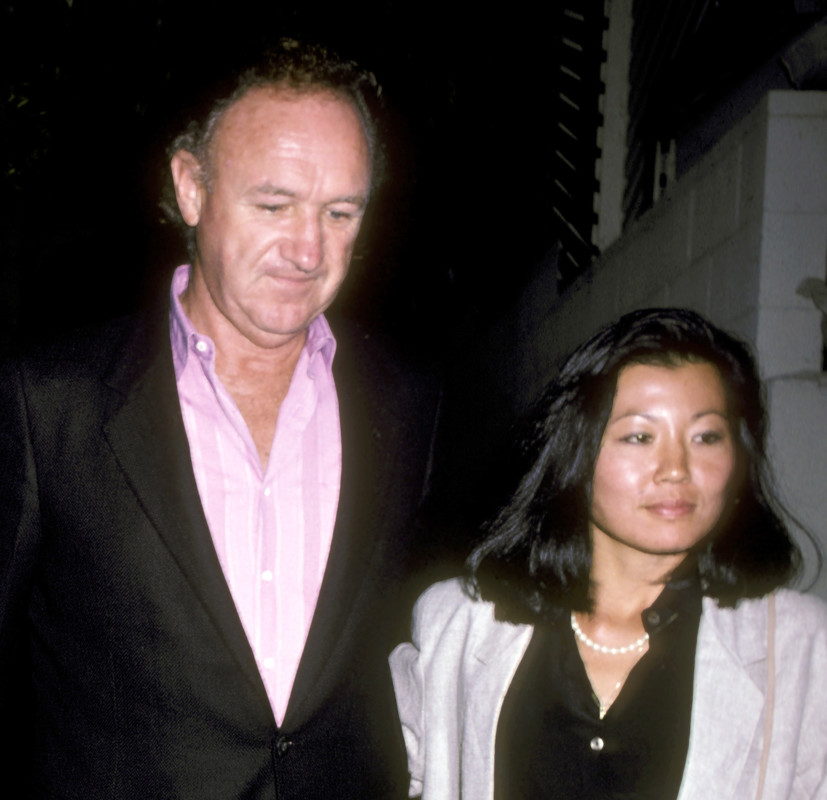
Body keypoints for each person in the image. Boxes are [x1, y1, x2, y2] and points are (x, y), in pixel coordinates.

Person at [0, 40, 438, 798]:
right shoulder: (49, 403)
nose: (309, 249)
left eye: (340, 213)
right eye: (274, 206)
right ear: (191, 188)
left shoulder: (407, 403)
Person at [391, 308, 827, 800]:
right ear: (575, 452)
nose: (676, 468)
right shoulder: (457, 623)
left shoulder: (801, 646)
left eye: (706, 437)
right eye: (639, 437)